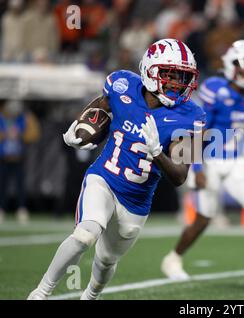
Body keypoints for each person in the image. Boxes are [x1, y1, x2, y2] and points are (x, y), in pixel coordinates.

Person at [28, 38, 206, 300]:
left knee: (106, 260)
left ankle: (90, 296)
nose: (178, 83)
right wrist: (79, 126)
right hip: (105, 179)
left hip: (136, 202)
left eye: (183, 77)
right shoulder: (123, 84)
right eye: (171, 75)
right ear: (150, 71)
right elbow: (101, 106)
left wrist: (157, 152)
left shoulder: (191, 115)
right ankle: (40, 293)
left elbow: (180, 176)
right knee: (84, 236)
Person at [161, 40, 244, 282]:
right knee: (203, 219)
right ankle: (173, 258)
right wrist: (197, 167)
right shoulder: (216, 89)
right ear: (230, 65)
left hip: (236, 160)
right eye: (243, 67)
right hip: (209, 160)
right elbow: (199, 131)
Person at [0, 100, 41, 224]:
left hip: (19, 158)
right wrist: (5, 135)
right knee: (2, 185)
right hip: (4, 158)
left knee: (20, 186)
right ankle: (2, 209)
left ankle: (21, 209)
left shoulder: (23, 119)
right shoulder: (2, 119)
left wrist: (21, 134)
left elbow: (34, 134)